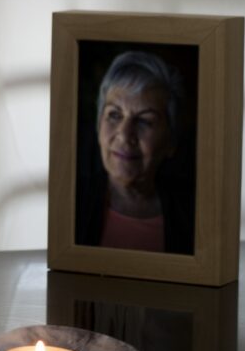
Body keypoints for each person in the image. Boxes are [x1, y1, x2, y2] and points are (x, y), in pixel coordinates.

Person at [75, 51, 194, 254]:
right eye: (114, 114)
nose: (124, 134)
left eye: (145, 121)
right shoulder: (71, 202)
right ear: (98, 127)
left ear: (170, 142)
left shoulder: (194, 217)